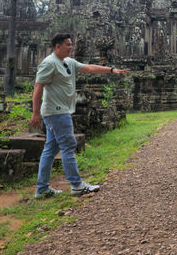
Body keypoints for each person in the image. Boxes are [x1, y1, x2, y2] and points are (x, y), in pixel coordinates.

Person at [31, 32, 130, 198]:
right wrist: (35, 113)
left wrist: (112, 70)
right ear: (58, 46)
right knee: (68, 146)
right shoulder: (49, 63)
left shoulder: (68, 62)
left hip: (61, 111)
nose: (71, 47)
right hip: (56, 112)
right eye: (68, 44)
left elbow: (89, 68)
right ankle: (76, 185)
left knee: (50, 149)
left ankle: (42, 188)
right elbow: (37, 87)